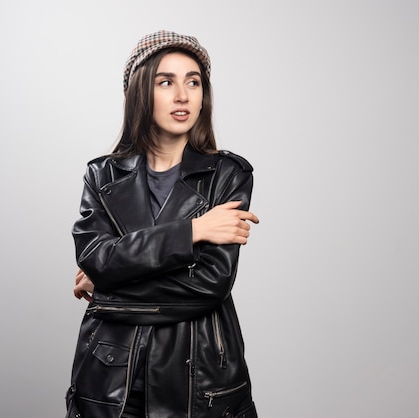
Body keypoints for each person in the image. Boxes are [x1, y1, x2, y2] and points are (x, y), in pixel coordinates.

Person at [65, 30, 259, 418]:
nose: (183, 95)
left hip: (200, 377)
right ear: (140, 92)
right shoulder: (101, 176)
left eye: (193, 81)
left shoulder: (227, 174)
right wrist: (193, 231)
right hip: (110, 375)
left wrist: (108, 288)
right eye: (165, 82)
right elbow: (96, 259)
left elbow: (209, 284)